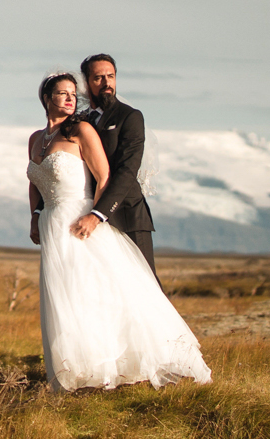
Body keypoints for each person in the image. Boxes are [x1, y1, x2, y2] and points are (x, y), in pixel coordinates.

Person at [28, 71, 211, 390]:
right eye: (62, 93)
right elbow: (34, 181)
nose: (71, 99)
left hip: (80, 220)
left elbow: (104, 176)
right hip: (51, 225)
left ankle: (116, 365)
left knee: (98, 291)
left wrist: (95, 217)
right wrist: (35, 216)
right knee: (64, 297)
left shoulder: (81, 131)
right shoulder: (35, 139)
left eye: (74, 93)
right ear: (47, 99)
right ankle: (76, 371)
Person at [73, 53, 155, 272]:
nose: (107, 83)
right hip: (84, 214)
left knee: (145, 286)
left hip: (126, 216)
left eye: (111, 76)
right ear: (86, 83)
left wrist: (98, 214)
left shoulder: (130, 117)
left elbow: (127, 170)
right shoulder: (79, 121)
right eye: (99, 78)